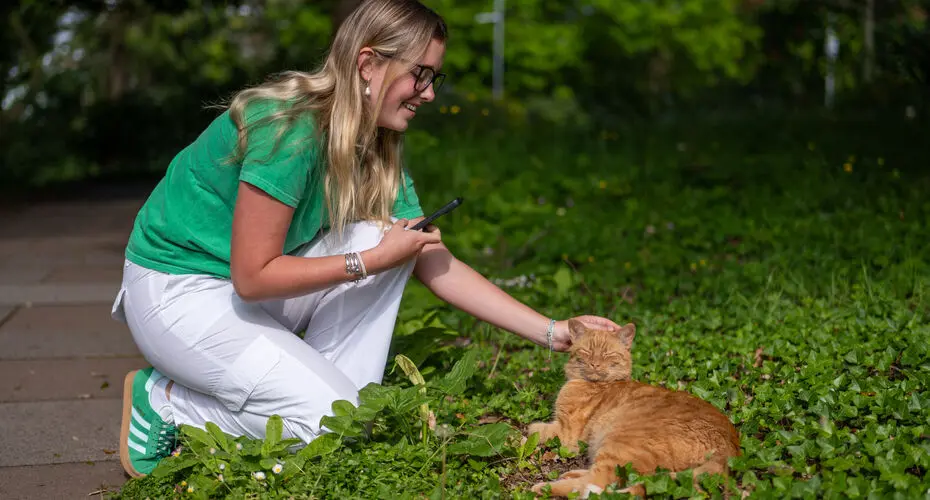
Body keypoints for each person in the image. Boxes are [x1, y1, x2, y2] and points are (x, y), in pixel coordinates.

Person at [112, 0, 621, 478]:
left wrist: (554, 332)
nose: (430, 93)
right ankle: (168, 402)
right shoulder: (287, 129)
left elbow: (431, 259)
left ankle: (321, 398)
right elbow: (252, 277)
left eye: (433, 77)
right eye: (420, 75)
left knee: (395, 246)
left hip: (247, 291)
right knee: (331, 418)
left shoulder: (376, 145)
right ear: (367, 64)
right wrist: (371, 260)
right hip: (178, 294)